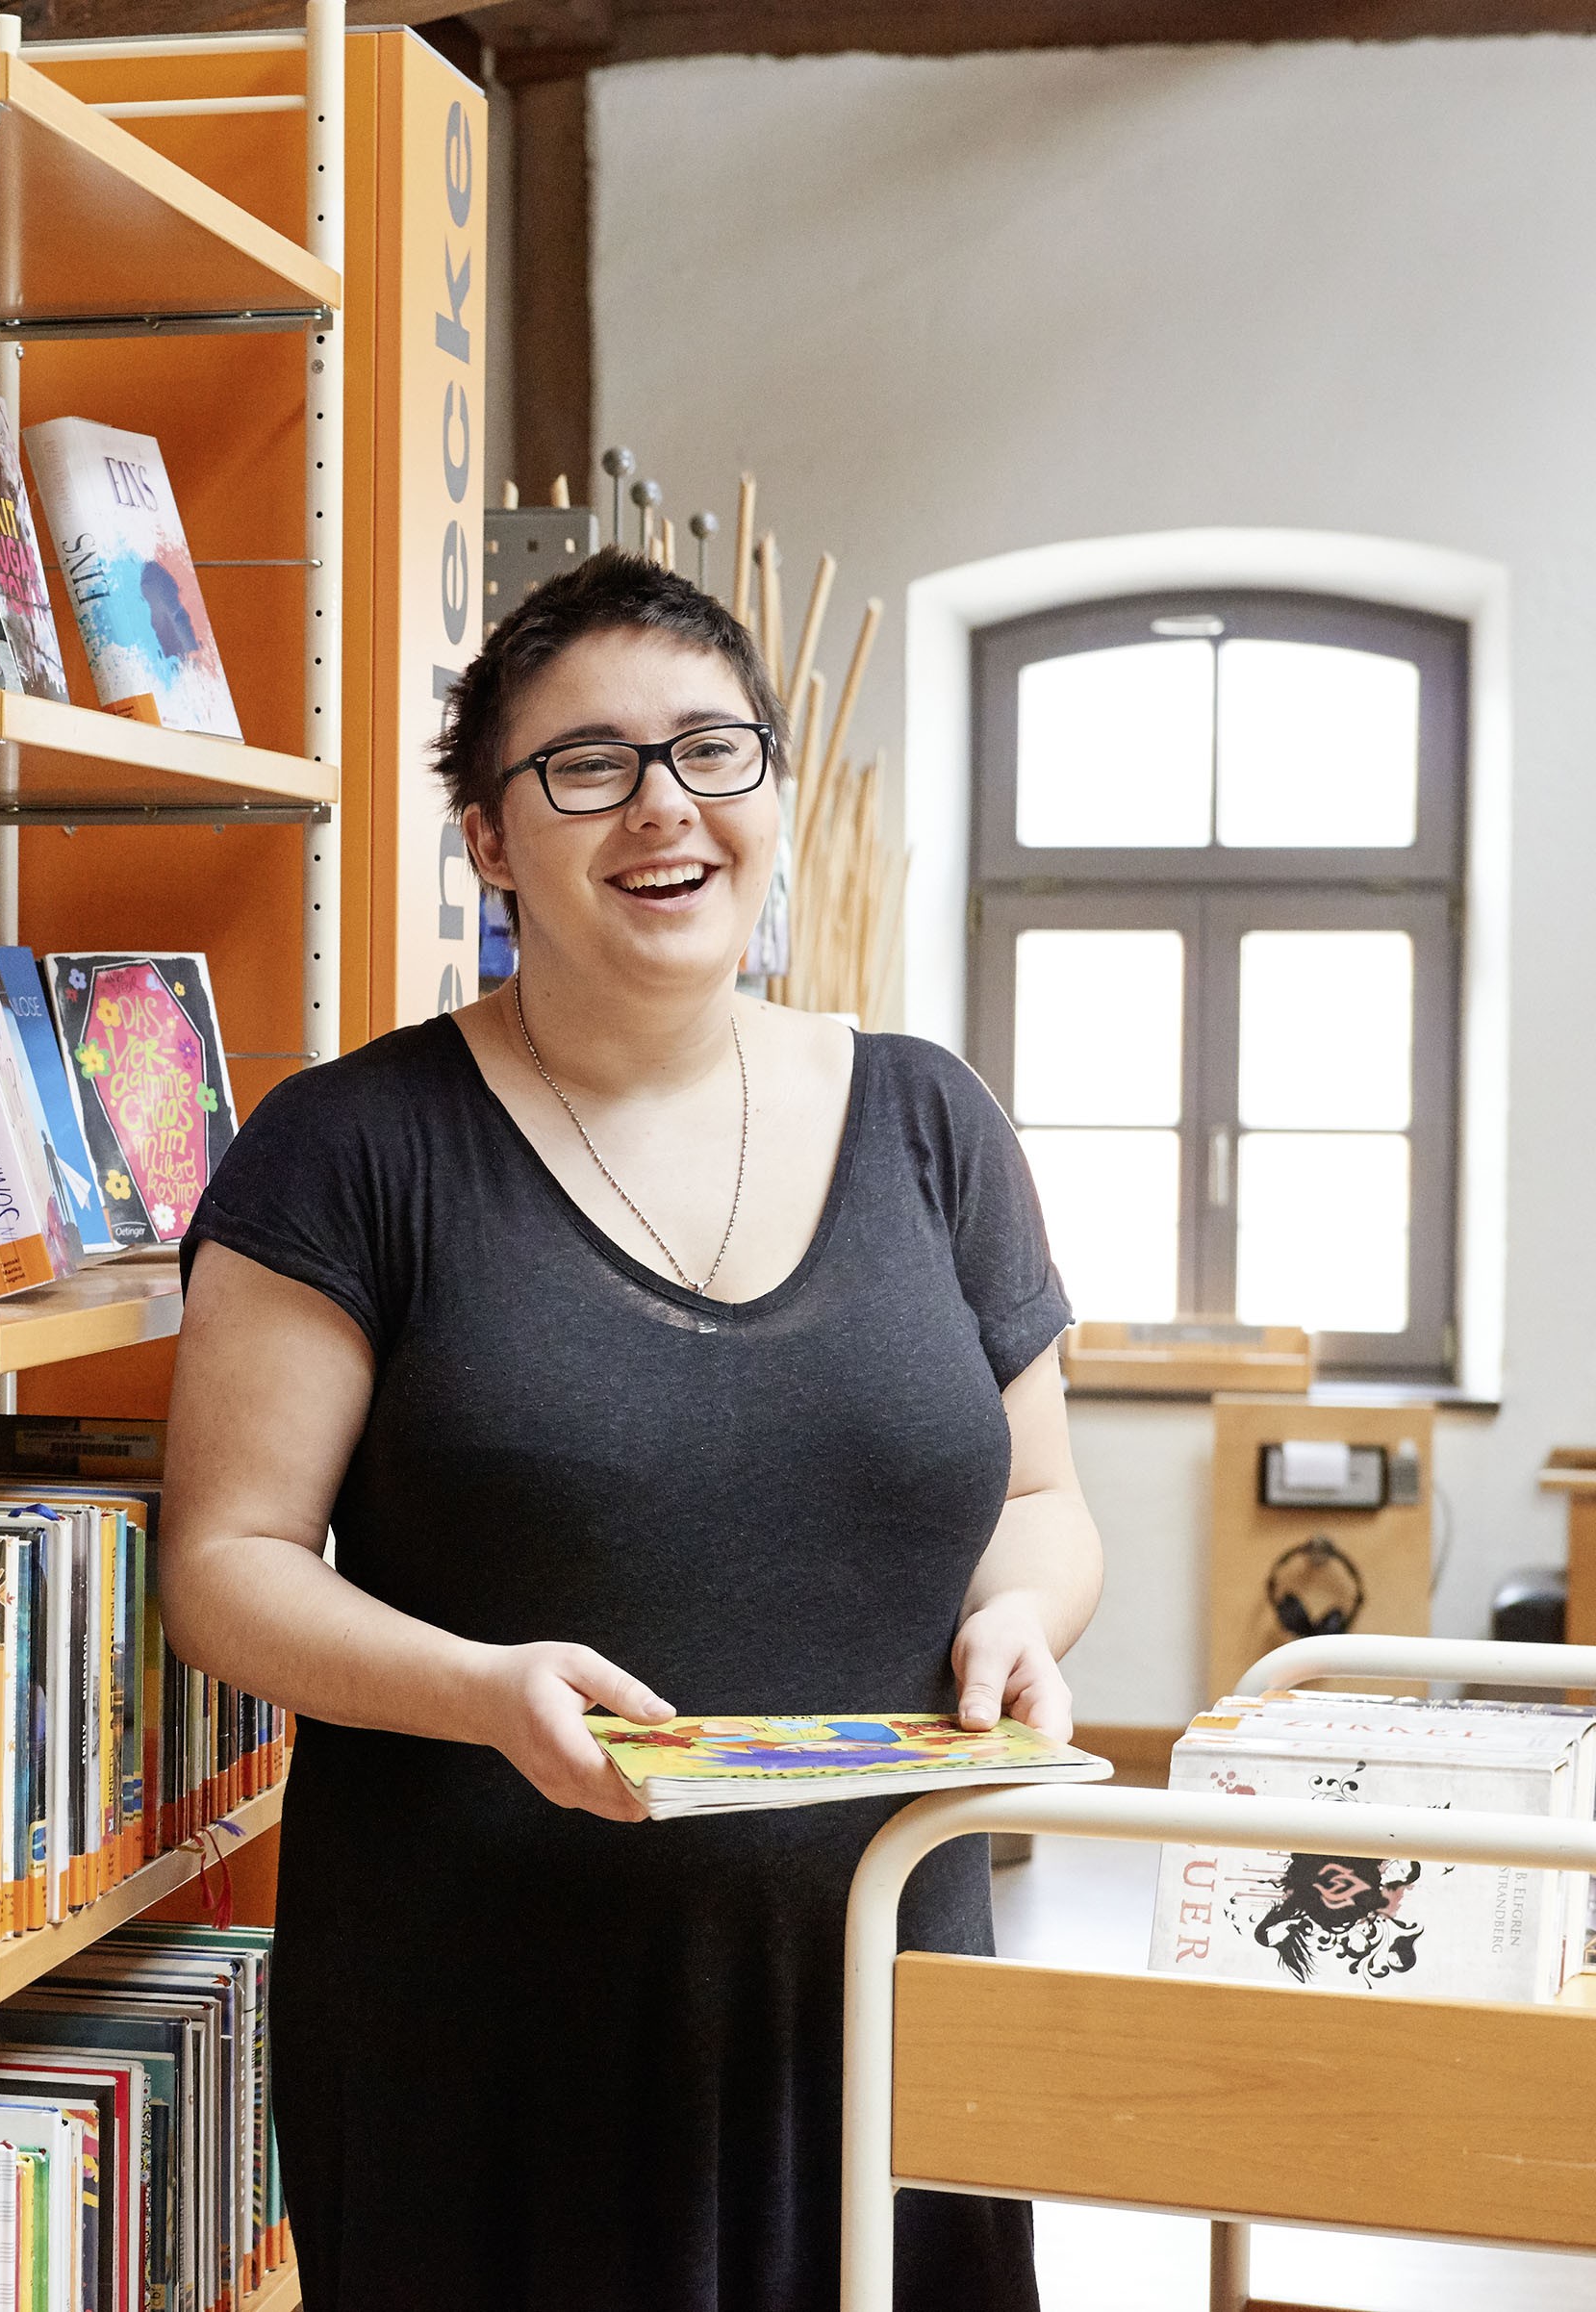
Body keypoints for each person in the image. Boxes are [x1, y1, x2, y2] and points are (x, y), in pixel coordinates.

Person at [162, 549, 1102, 2309]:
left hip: (887, 1992)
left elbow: (1043, 1499)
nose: (662, 806)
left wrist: (1020, 1624)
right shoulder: (352, 1148)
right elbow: (224, 1570)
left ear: (771, 794)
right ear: (491, 836)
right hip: (497, 2020)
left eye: (710, 750)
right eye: (585, 764)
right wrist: (474, 1688)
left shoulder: (932, 1123)